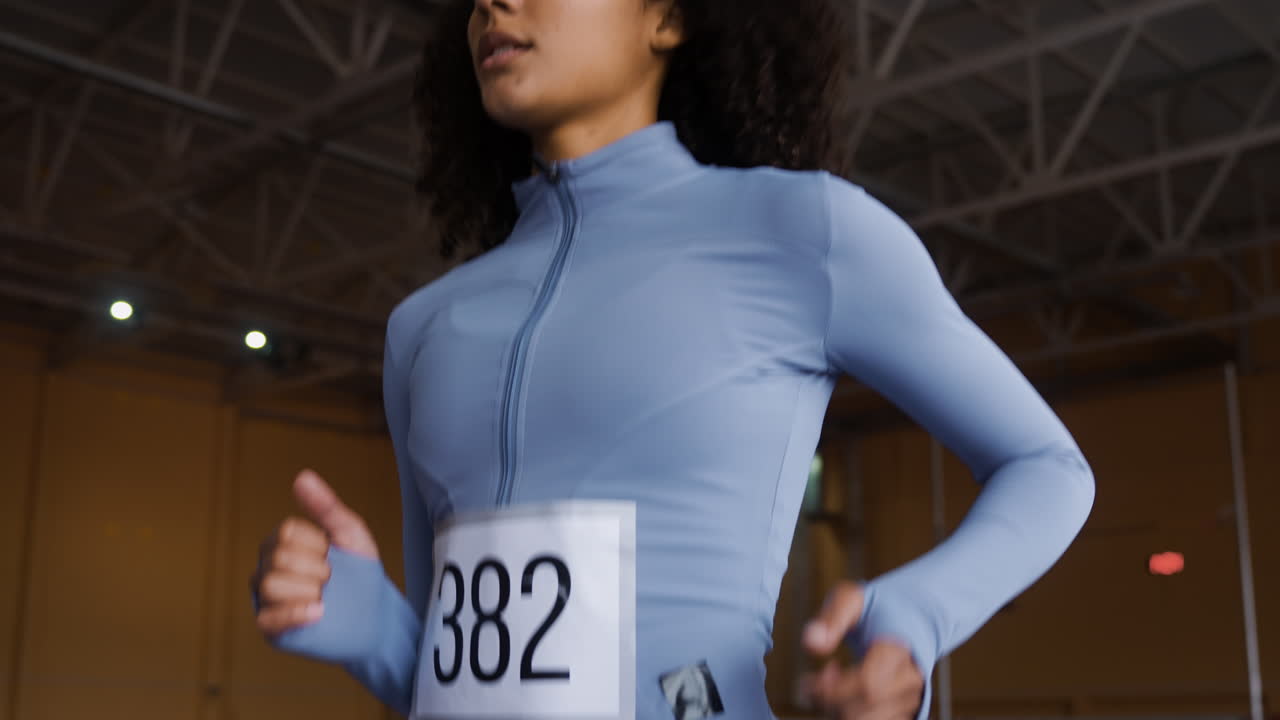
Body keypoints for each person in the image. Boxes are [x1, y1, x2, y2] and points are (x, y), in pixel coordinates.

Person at [249, 0, 1096, 718]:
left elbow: (1048, 465)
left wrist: (914, 614)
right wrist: (376, 632)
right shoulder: (424, 327)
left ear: (670, 16)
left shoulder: (802, 232)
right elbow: (465, 685)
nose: (492, 3)